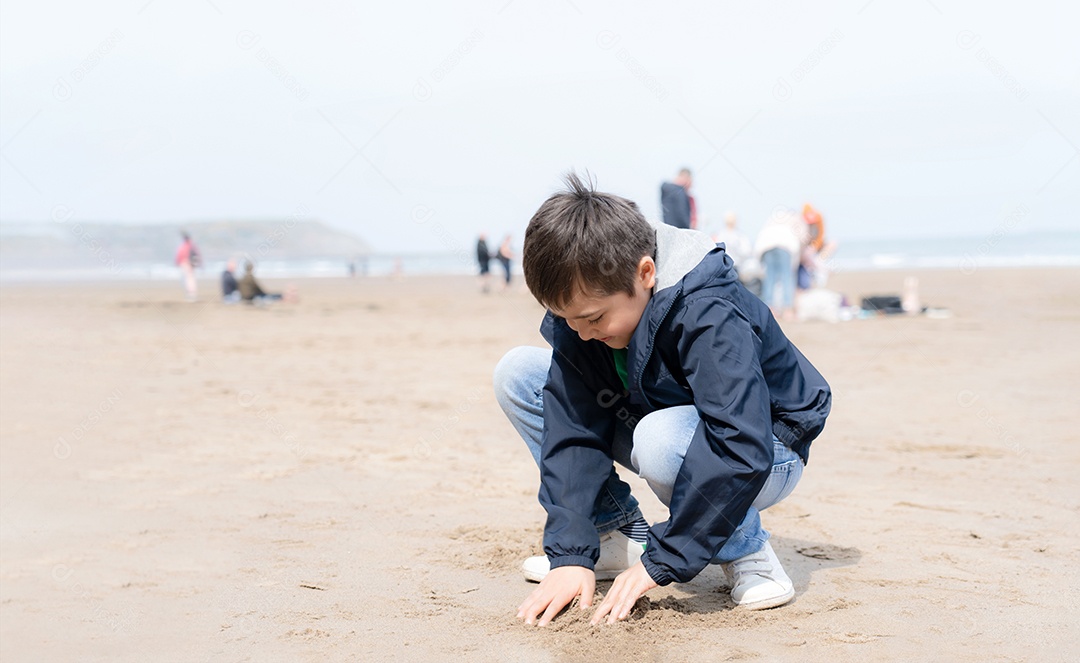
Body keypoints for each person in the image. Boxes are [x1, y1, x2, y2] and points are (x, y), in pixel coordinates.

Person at [493, 174, 831, 627]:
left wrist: (662, 560)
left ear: (646, 272)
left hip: (769, 446)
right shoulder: (586, 309)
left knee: (658, 438)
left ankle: (746, 551)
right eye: (566, 319)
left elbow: (739, 442)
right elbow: (573, 428)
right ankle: (611, 535)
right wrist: (571, 554)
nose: (581, 332)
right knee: (520, 372)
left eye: (593, 318)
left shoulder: (705, 307)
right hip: (669, 422)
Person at [754, 209, 808, 320]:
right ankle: (788, 310)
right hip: (785, 246)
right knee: (787, 278)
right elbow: (803, 238)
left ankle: (770, 310)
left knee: (770, 278)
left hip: (766, 246)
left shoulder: (772, 220)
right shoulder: (796, 220)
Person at [174, 232, 201, 301]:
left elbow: (180, 255)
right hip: (189, 264)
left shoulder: (185, 246)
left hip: (186, 264)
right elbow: (197, 254)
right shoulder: (191, 245)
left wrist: (178, 262)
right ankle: (191, 293)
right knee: (190, 279)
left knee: (189, 280)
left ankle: (191, 294)